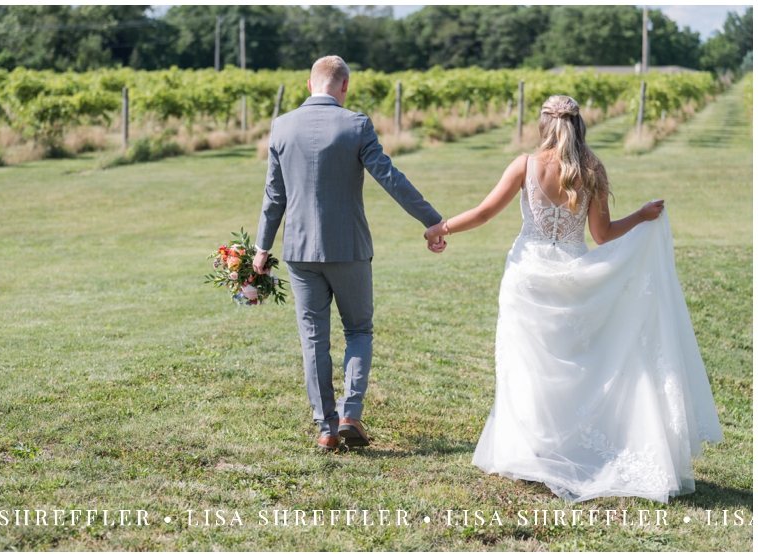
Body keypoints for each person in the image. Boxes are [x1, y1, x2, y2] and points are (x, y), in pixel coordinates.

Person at [424, 94, 723, 502]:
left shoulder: (525, 165)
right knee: (576, 367)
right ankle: (568, 448)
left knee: (526, 366)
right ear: (579, 124)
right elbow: (602, 235)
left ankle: (531, 450)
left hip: (527, 276)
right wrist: (639, 215)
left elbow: (484, 212)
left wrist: (442, 228)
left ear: (544, 124)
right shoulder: (592, 169)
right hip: (571, 275)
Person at [253, 55, 445, 451]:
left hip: (300, 251)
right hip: (349, 248)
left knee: (313, 340)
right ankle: (349, 414)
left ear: (309, 85)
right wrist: (431, 220)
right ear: (344, 87)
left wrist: (260, 248)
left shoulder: (281, 126)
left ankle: (325, 428)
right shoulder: (356, 124)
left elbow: (275, 196)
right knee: (358, 330)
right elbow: (390, 178)